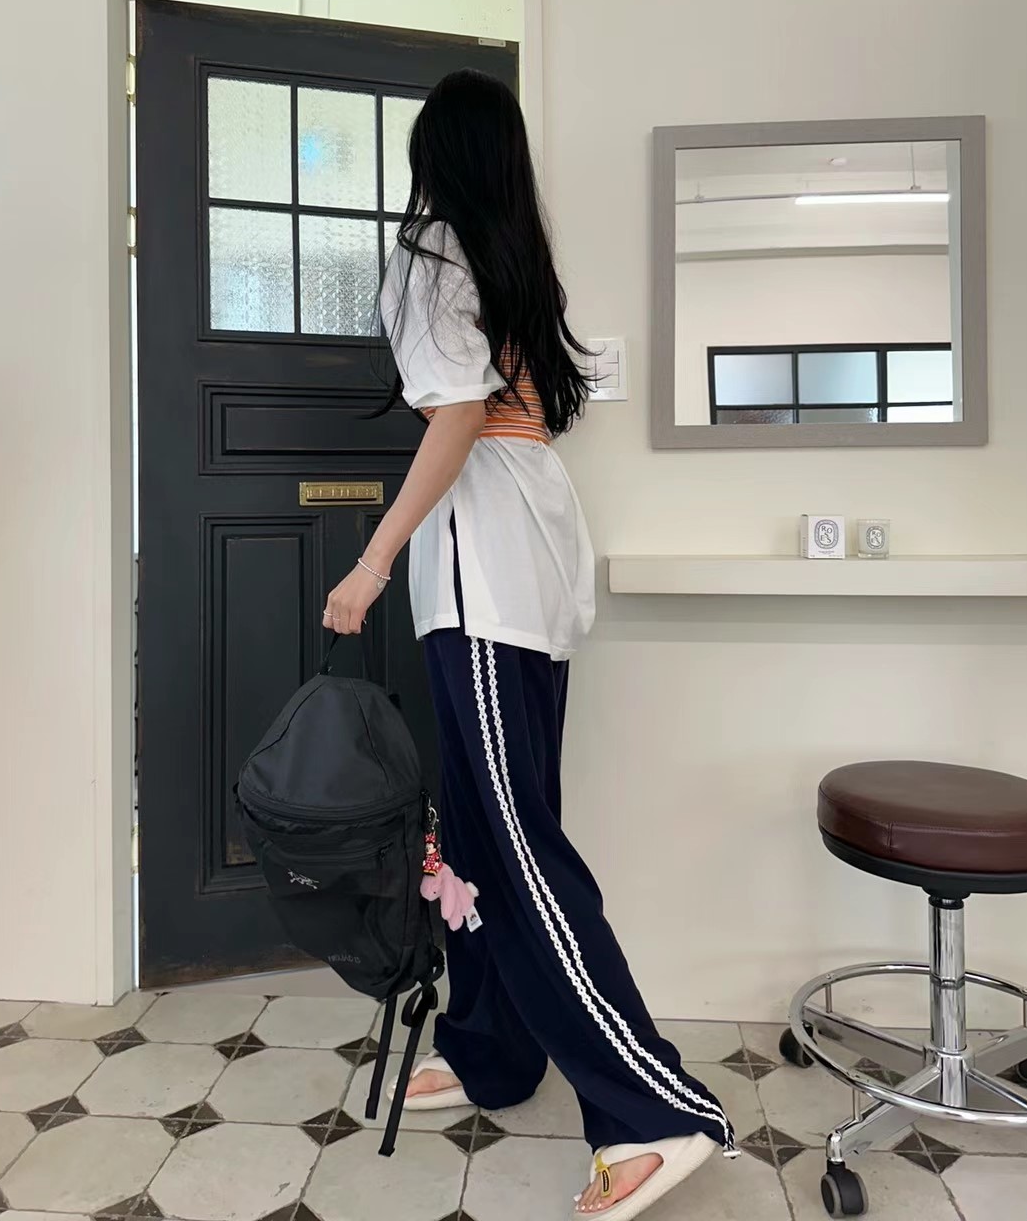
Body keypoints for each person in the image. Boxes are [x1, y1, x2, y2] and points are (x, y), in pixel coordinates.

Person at [323, 70, 735, 1218]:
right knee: (481, 830)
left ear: (432, 156)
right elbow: (524, 411)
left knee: (513, 843)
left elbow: (458, 416)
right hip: (529, 564)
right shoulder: (508, 260)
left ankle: (652, 1114)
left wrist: (373, 559)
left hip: (485, 575)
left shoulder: (430, 253)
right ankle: (494, 1050)